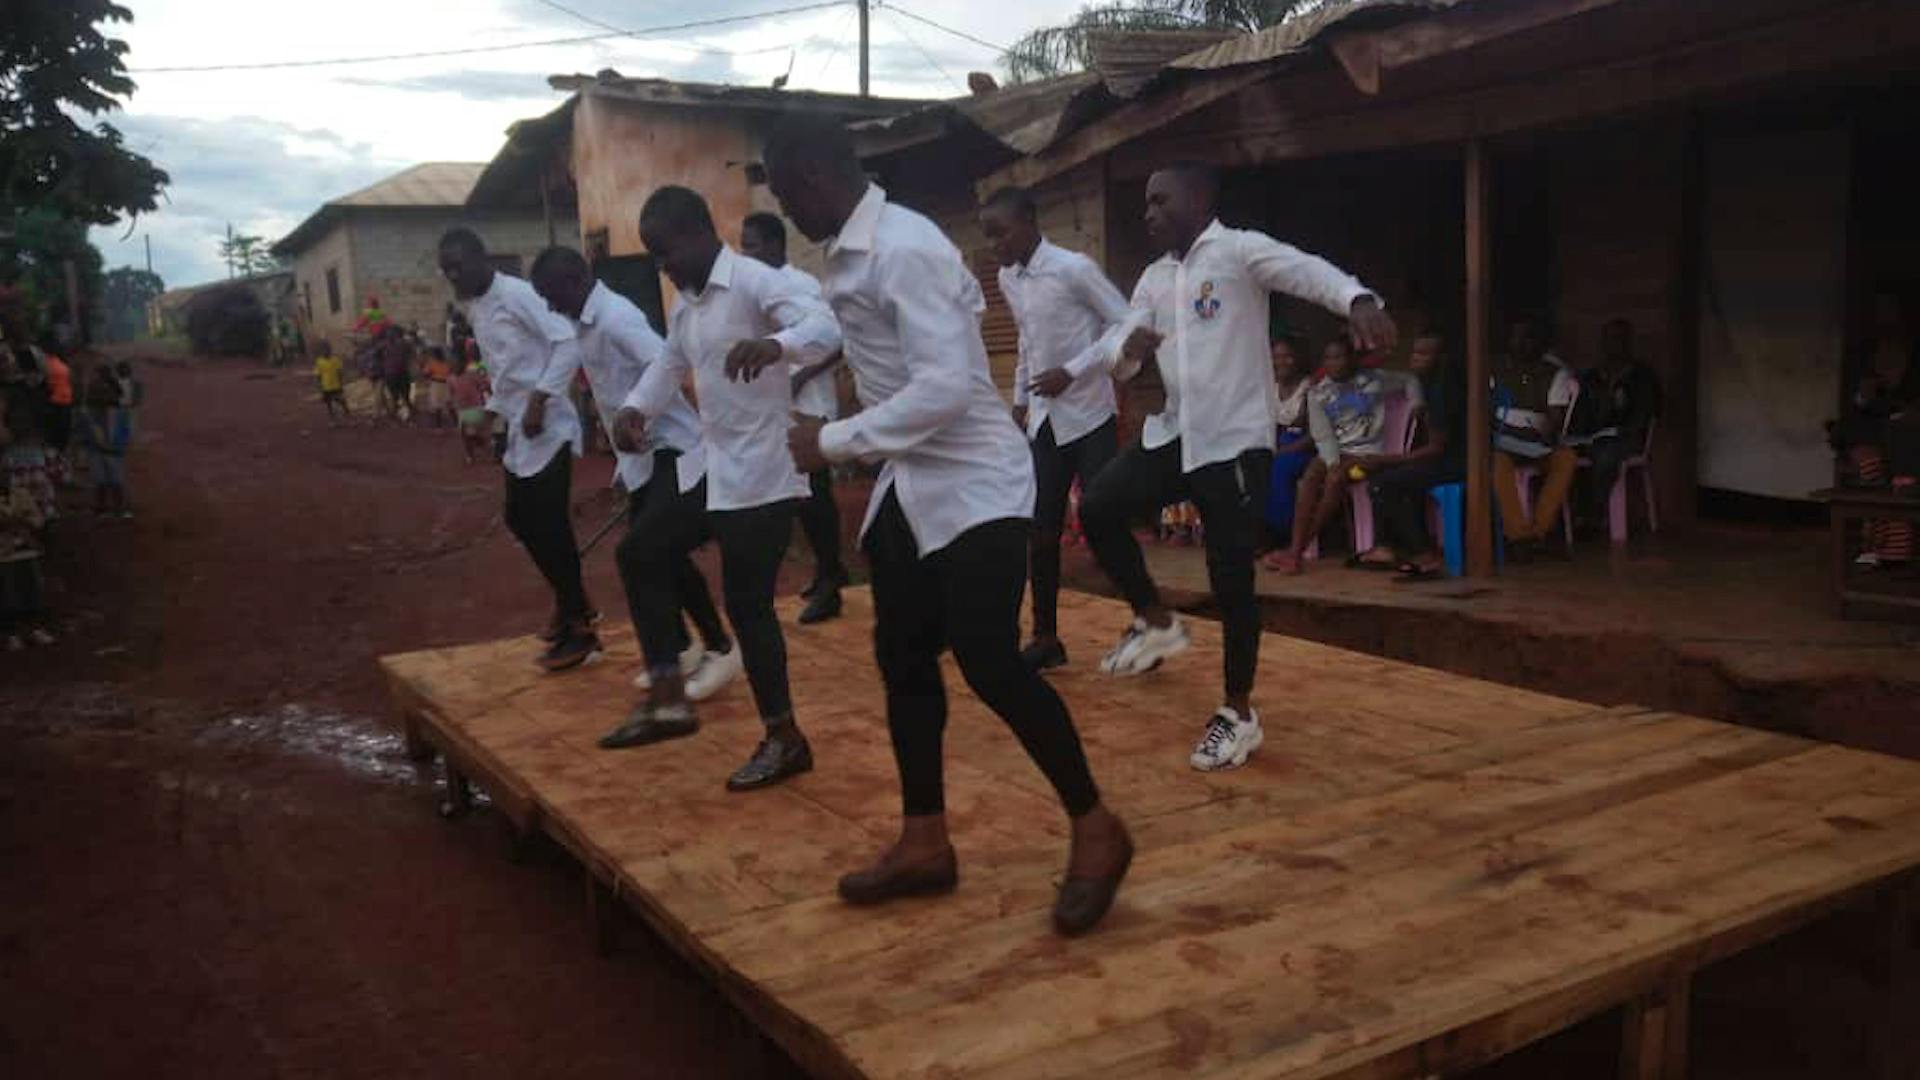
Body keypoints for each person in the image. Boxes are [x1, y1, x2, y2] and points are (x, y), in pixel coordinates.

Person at [766, 116, 1132, 936]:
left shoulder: (904, 247)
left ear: (815, 177)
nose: (788, 214)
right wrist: (790, 352)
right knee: (901, 657)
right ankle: (925, 840)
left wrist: (832, 441)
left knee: (990, 661)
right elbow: (865, 339)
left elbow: (947, 388)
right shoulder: (855, 253)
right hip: (913, 486)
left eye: (788, 196)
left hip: (977, 487)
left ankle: (1097, 827)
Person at [1078, 161, 1395, 772]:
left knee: (1231, 581)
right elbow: (1121, 349)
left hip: (1234, 444)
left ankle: (1237, 713)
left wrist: (1357, 298)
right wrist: (1126, 351)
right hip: (1177, 434)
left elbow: (1305, 270)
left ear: (1199, 199)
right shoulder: (1154, 277)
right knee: (1098, 506)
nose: (1148, 213)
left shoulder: (1240, 253)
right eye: (1146, 203)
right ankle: (1155, 620)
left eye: (1160, 200)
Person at [619, 186, 840, 791]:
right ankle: (668, 698)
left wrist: (776, 344)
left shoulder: (753, 281)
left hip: (765, 472)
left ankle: (784, 737)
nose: (662, 265)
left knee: (747, 605)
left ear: (698, 233)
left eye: (664, 251)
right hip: (715, 465)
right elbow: (669, 363)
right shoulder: (687, 305)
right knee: (640, 551)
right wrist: (636, 407)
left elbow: (825, 324)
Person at [529, 245, 746, 750]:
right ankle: (695, 647)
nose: (550, 305)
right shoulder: (583, 323)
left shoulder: (616, 317)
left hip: (676, 451)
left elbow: (662, 366)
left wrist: (637, 413)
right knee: (658, 555)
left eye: (552, 294)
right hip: (644, 458)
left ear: (576, 279)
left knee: (639, 553)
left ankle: (685, 677)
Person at [979, 185, 1131, 673]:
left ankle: (1145, 621)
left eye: (1001, 233)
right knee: (1041, 532)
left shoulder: (1074, 269)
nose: (994, 245)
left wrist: (1074, 370)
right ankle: (1046, 636)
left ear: (1029, 221)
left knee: (1103, 519)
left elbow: (1125, 323)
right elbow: (1027, 339)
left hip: (1090, 415)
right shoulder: (1007, 278)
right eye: (987, 236)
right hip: (1045, 420)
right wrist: (1019, 402)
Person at [437, 226, 600, 671]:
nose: (454, 276)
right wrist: (492, 412)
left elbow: (567, 343)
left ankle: (580, 625)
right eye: (447, 270)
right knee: (520, 518)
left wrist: (540, 399)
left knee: (549, 523)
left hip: (549, 425)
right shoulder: (476, 308)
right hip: (518, 427)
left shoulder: (518, 295)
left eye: (459, 266)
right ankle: (572, 601)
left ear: (482, 258)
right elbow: (508, 370)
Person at [739, 210, 850, 626]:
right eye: (742, 246)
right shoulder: (757, 289)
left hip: (810, 404)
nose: (745, 254)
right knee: (801, 498)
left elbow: (838, 340)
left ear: (774, 245)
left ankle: (831, 584)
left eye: (751, 245)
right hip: (779, 407)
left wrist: (802, 376)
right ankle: (827, 570)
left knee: (815, 495)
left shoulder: (799, 285)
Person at [1269, 338, 1393, 573]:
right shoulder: (1318, 392)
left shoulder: (1372, 381)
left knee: (1335, 480)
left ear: (1351, 359)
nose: (1334, 363)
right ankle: (1295, 549)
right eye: (1328, 358)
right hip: (1335, 451)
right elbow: (1322, 435)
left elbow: (1409, 380)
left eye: (1339, 357)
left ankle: (1295, 552)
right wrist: (1333, 462)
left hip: (1366, 457)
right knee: (1309, 478)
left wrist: (1416, 400)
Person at [1353, 330, 1467, 581]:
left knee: (1385, 484)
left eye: (1424, 354)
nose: (1415, 358)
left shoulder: (1444, 393)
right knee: (1386, 478)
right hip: (1442, 460)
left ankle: (1424, 555)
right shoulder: (1428, 386)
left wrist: (1387, 459)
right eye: (1415, 352)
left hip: (1456, 463)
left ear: (1441, 359)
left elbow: (1436, 449)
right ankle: (1385, 547)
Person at [1832, 293, 1919, 567]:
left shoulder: (1913, 355)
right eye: (1881, 315)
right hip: (1867, 429)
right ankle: (1876, 543)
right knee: (1872, 466)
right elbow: (1854, 406)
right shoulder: (1863, 352)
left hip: (1904, 432)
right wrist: (1864, 396)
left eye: (1891, 314)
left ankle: (1896, 549)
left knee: (1903, 469)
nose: (1886, 322)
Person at [1491, 317, 1579, 558]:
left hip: (1537, 444)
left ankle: (1538, 532)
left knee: (1567, 458)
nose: (1522, 343)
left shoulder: (1554, 372)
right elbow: (1485, 411)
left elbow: (1555, 420)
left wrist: (1537, 432)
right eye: (1517, 337)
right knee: (1495, 463)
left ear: (1540, 342)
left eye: (1529, 337)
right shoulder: (1495, 369)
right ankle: (1518, 536)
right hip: (1502, 443)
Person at [1570, 318, 1662, 532]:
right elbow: (1579, 414)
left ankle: (1594, 515)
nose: (1614, 345)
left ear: (1628, 342)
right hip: (1593, 438)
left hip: (1626, 438)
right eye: (1609, 340)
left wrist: (1622, 429)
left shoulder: (1642, 376)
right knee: (1562, 454)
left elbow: (1646, 413)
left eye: (1619, 339)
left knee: (1605, 455)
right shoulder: (1591, 377)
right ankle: (1567, 518)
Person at [0, 403, 54, 650]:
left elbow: (36, 518)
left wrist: (15, 522)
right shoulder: (20, 493)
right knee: (9, 594)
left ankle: (32, 629)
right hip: (7, 551)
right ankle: (14, 632)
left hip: (22, 548)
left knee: (30, 590)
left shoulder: (20, 492)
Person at [1259, 333, 1315, 568]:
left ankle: (1281, 534)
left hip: (1305, 447)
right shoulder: (1270, 387)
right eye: (1277, 357)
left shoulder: (1308, 388)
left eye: (1287, 356)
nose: (1282, 362)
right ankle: (1260, 531)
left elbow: (1314, 433)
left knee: (1280, 468)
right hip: (1278, 443)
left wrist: (1283, 449)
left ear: (1298, 358)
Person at [79, 367, 132, 518]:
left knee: (104, 480)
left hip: (102, 447)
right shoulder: (117, 410)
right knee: (111, 480)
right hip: (110, 448)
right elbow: (125, 432)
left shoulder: (91, 409)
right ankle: (115, 509)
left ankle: (103, 509)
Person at [448, 353, 492, 464]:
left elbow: (485, 385)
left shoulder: (471, 375)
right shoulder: (451, 378)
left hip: (475, 407)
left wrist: (487, 395)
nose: (454, 365)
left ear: (463, 364)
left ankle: (484, 447)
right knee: (465, 435)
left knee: (472, 434)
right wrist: (452, 406)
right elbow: (452, 393)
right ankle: (471, 455)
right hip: (461, 409)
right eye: (452, 363)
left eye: (456, 363)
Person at [313, 341, 348, 423]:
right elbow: (318, 375)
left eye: (327, 350)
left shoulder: (336, 360)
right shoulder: (319, 362)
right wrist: (319, 385)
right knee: (329, 404)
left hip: (336, 385)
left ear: (330, 350)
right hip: (326, 386)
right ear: (321, 351)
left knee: (341, 400)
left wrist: (341, 382)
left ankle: (347, 412)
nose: (326, 352)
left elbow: (339, 372)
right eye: (324, 350)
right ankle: (333, 419)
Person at [420, 346, 455, 428]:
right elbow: (450, 371)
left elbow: (425, 373)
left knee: (437, 406)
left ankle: (439, 426)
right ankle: (456, 423)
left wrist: (423, 368)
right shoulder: (446, 362)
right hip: (446, 384)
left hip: (436, 384)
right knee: (449, 404)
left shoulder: (432, 363)